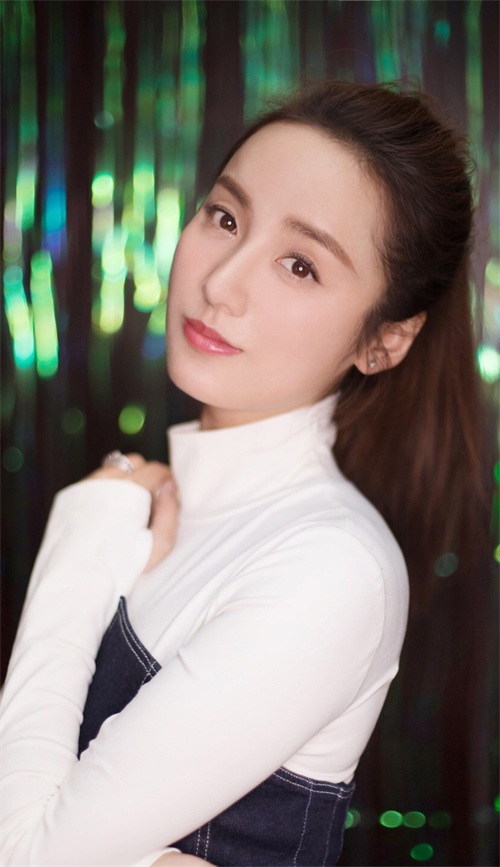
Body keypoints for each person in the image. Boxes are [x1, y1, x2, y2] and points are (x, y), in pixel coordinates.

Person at [0, 80, 486, 867]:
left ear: (385, 340)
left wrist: (77, 546)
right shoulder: (165, 503)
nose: (220, 282)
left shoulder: (333, 568)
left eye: (300, 265)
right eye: (225, 217)